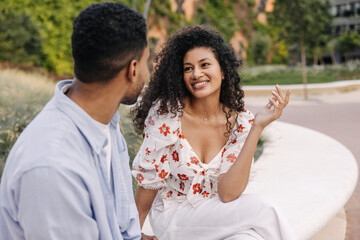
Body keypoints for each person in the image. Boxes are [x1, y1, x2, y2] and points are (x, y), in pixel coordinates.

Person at [131, 25, 296, 240]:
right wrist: (132, 234)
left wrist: (257, 126)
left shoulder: (240, 122)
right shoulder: (167, 117)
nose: (196, 73)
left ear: (223, 71)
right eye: (188, 68)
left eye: (204, 65)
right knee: (266, 210)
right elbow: (148, 187)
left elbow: (227, 194)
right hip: (174, 216)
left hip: (215, 213)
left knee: (247, 238)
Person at [0, 2, 148, 239]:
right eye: (146, 63)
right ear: (132, 69)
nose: (147, 73)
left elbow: (125, 227)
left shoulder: (105, 124)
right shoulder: (53, 167)